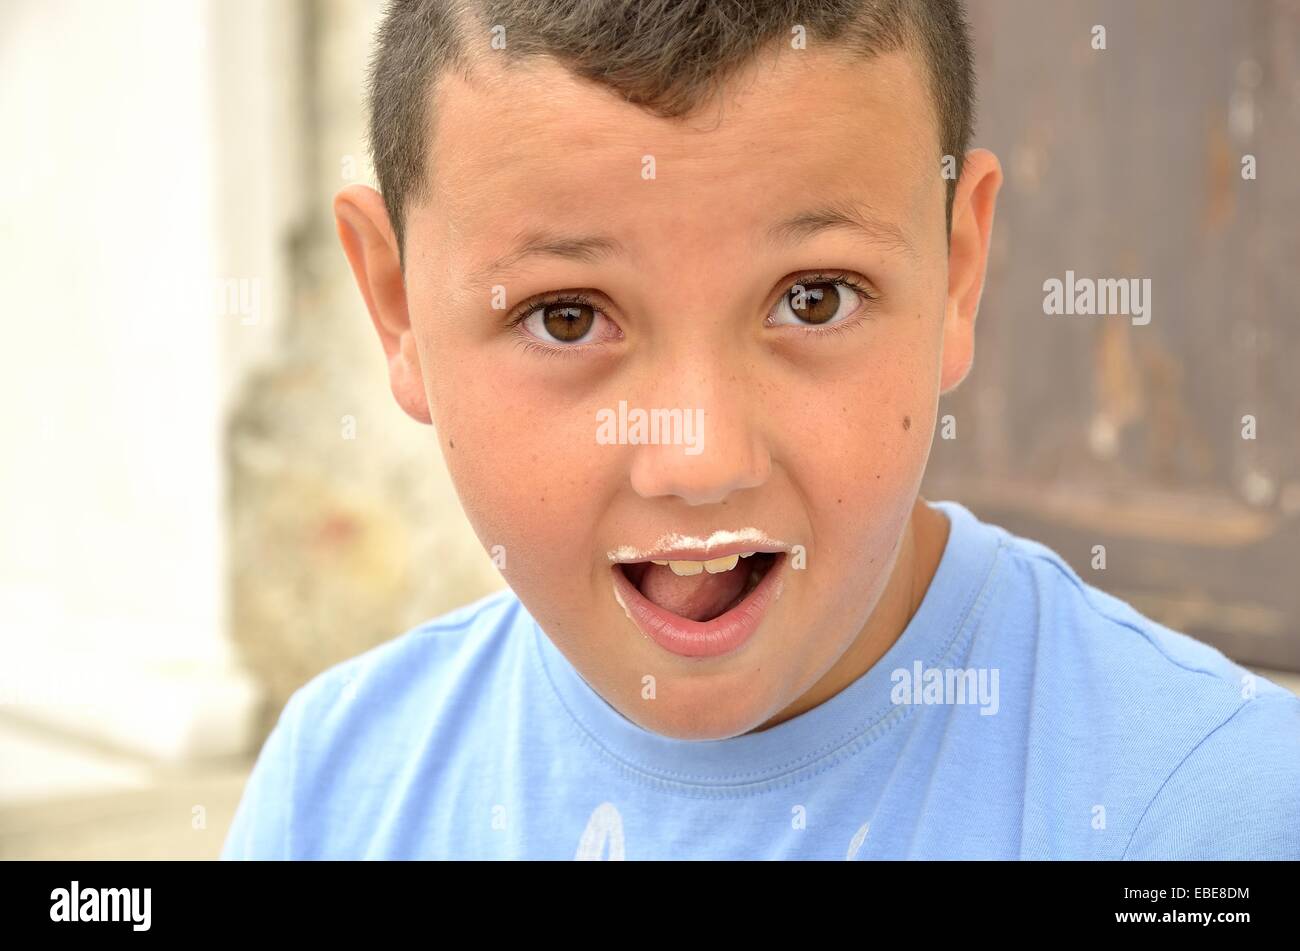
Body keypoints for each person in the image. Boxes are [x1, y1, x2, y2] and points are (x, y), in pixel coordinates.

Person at [222, 0, 1300, 859]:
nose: (700, 460)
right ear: (398, 306)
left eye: (815, 298)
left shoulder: (1208, 810)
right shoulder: (339, 791)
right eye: (566, 316)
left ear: (958, 272)